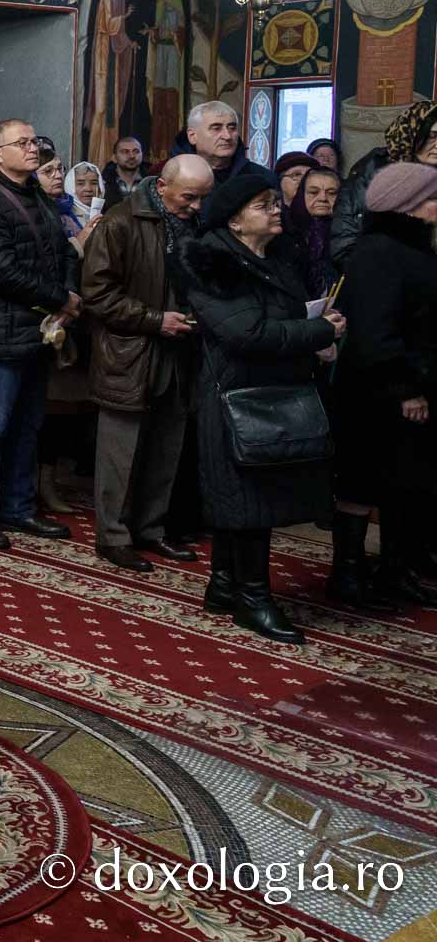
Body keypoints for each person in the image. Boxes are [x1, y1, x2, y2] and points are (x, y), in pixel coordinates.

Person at [182, 173, 343, 644]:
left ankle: (225, 585)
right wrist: (319, 333)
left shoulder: (273, 257)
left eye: (276, 201)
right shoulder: (211, 264)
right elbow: (245, 334)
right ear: (235, 219)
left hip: (267, 394)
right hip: (234, 399)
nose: (277, 210)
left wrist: (315, 324)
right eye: (263, 204)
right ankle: (254, 600)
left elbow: (278, 321)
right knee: (249, 501)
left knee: (251, 497)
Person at [80, 153, 211, 572]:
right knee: (121, 453)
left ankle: (151, 529)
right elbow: (98, 295)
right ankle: (113, 537)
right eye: (189, 197)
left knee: (166, 448)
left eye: (203, 198)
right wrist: (156, 321)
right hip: (132, 353)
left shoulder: (195, 225)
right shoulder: (120, 223)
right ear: (161, 187)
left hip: (180, 353)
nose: (197, 207)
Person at [0, 120, 79, 549]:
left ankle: (17, 508)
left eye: (33, 141)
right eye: (22, 143)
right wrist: (59, 297)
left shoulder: (38, 198)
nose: (32, 148)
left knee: (28, 426)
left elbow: (63, 249)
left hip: (35, 331)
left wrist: (70, 289)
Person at [324, 163, 437, 609]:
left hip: (410, 390)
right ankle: (347, 577)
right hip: (378, 394)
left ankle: (395, 571)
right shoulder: (377, 252)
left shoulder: (412, 246)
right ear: (408, 203)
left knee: (404, 485)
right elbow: (375, 334)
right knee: (362, 482)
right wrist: (406, 388)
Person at [331, 99, 437, 269]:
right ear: (411, 133)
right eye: (432, 136)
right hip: (379, 278)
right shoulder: (372, 171)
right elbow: (344, 243)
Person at [284, 165, 340, 299]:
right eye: (313, 192)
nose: (323, 198)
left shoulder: (348, 233)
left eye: (331, 193)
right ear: (302, 194)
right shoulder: (285, 229)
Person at [102, 136, 146, 203]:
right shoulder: (103, 182)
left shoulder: (152, 182)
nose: (132, 156)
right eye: (125, 152)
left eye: (136, 151)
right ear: (114, 158)